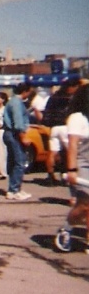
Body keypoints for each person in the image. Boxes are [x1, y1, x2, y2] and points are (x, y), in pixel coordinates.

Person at [56, 84, 89, 252]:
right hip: (83, 163)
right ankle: (67, 227)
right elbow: (73, 146)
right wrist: (71, 170)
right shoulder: (77, 118)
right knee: (84, 205)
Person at [42, 78, 80, 185]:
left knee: (52, 152)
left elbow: (46, 112)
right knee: (70, 151)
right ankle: (68, 174)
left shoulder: (54, 97)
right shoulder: (71, 98)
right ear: (71, 87)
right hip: (66, 126)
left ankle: (50, 176)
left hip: (54, 127)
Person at [2, 82, 34, 201]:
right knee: (19, 162)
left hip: (9, 133)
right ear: (25, 91)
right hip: (14, 134)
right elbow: (18, 122)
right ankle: (14, 190)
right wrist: (23, 137)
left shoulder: (13, 101)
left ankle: (14, 188)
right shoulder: (17, 103)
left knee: (13, 161)